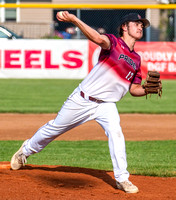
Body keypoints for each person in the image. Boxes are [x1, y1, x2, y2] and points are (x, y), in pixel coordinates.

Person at [11, 12, 150, 194]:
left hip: (107, 105)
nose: (140, 26)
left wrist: (148, 89)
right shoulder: (114, 43)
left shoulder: (136, 59)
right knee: (55, 128)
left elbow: (134, 89)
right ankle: (26, 150)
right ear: (124, 26)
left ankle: (122, 178)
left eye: (142, 24)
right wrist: (75, 20)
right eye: (136, 23)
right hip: (83, 98)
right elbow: (98, 38)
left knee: (116, 133)